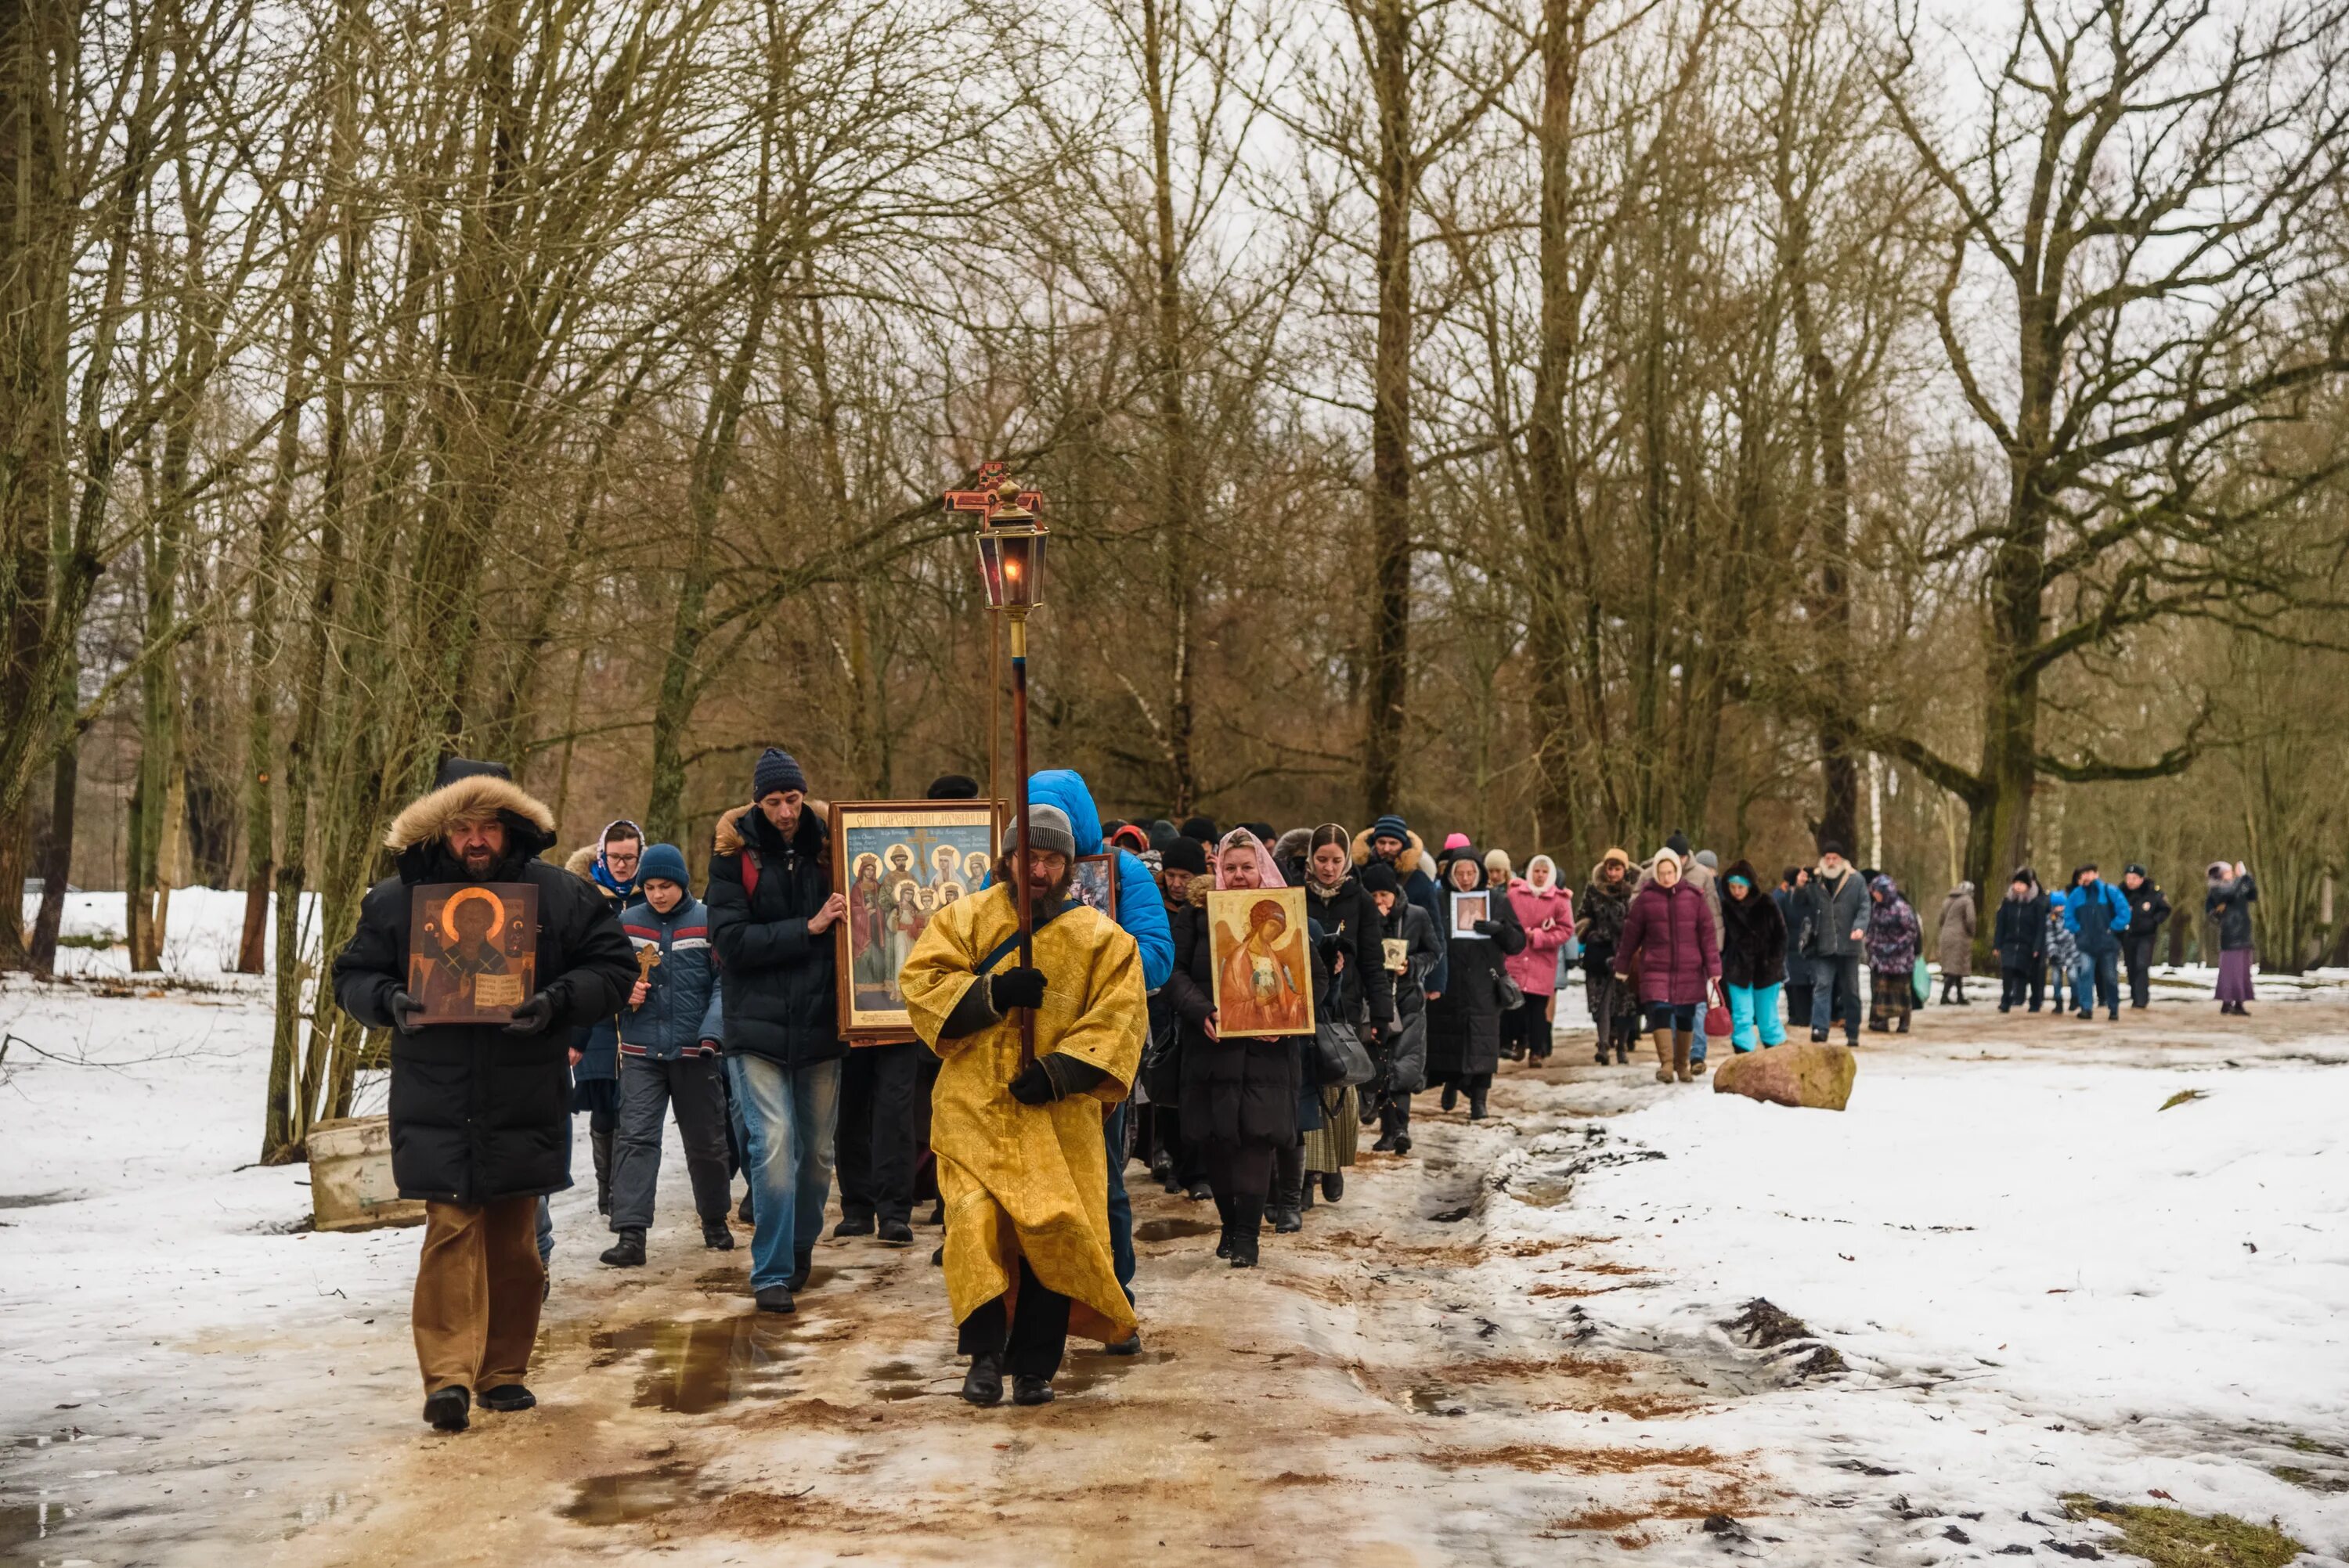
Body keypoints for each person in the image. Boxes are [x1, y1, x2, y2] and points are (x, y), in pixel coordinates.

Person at [330, 759, 636, 1433]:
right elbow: (350, 976)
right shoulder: (397, 902)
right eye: (462, 826)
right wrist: (389, 1000)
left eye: (488, 826)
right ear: (440, 829)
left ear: (512, 828)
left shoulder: (558, 896)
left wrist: (558, 999)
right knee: (450, 1229)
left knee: (514, 1241)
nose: (475, 840)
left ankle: (501, 1370)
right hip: (435, 1095)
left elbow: (614, 967)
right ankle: (447, 1378)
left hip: (524, 1090)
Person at [900, 803, 1145, 1408]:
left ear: (1068, 865)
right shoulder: (964, 919)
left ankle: (1035, 1366)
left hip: (1058, 1117)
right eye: (1028, 856)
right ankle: (982, 1357)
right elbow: (921, 983)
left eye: (1051, 857)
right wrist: (991, 993)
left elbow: (1121, 1017)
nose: (1038, 868)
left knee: (1053, 1229)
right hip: (973, 1110)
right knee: (973, 1224)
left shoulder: (1102, 939)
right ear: (1008, 858)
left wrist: (1060, 1072)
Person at [1027, 770, 1173, 1325]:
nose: (1042, 858)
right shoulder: (1017, 877)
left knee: (1104, 1177)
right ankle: (1038, 1300)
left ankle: (1114, 1296)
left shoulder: (1123, 873)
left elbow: (1156, 955)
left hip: (1097, 1051)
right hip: (1027, 1052)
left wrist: (1095, 963)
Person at [707, 748, 847, 1315]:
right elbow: (730, 940)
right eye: (773, 801)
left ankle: (798, 1243)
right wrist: (808, 928)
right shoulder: (733, 852)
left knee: (816, 1152)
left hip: (820, 1020)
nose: (785, 812)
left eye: (792, 798)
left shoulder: (832, 843)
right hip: (754, 1023)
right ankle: (770, 1270)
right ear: (757, 801)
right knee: (773, 1145)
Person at [1168, 828, 1304, 1266]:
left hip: (1267, 1051)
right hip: (1211, 1049)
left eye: (1248, 867)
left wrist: (1286, 1021)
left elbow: (1308, 978)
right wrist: (1202, 1011)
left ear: (1261, 867)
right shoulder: (1195, 915)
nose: (1240, 875)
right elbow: (1174, 975)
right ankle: (1229, 1224)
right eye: (1231, 867)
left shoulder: (1287, 913)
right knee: (1217, 1143)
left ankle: (1247, 1236)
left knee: (1256, 1141)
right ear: (1218, 869)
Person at [601, 843, 734, 1267]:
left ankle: (715, 1220)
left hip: (697, 1052)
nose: (658, 894)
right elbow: (606, 979)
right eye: (651, 886)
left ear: (682, 884)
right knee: (636, 1138)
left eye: (666, 886)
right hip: (641, 1052)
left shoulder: (707, 920)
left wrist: (713, 1033)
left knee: (707, 1143)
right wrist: (623, 992)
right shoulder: (626, 923)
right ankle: (631, 1234)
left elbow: (722, 986)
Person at [1297, 824, 1389, 1206]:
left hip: (1344, 1009)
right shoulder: (1294, 894)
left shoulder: (1361, 900)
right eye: (1322, 860)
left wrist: (1382, 1011)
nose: (1329, 868)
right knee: (1305, 1090)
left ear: (1347, 861)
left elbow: (1372, 960)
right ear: (1310, 859)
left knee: (1337, 1088)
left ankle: (1332, 1165)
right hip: (1302, 1004)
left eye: (1336, 860)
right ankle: (1302, 1175)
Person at [561, 820, 643, 1220]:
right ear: (601, 856)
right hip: (596, 1020)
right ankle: (606, 1194)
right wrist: (575, 1036)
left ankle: (629, 1197)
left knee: (637, 1112)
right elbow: (572, 964)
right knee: (605, 1111)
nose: (623, 865)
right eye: (616, 858)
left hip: (642, 1017)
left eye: (630, 857)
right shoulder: (582, 896)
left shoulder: (655, 892)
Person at [1427, 842, 1526, 1119]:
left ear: (1479, 873)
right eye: (1460, 873)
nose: (1466, 879)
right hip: (1450, 983)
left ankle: (1479, 1101)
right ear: (1451, 875)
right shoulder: (1440, 901)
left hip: (1485, 985)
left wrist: (1500, 930)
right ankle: (1451, 1082)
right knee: (1449, 1041)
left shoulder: (1496, 901)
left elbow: (1518, 943)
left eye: (1471, 873)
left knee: (1483, 1044)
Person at [1614, 848, 1719, 1083]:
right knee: (1660, 1012)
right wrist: (1622, 965)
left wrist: (1714, 969)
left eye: (1670, 872)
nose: (1666, 877)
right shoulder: (1645, 899)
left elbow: (1707, 936)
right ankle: (1667, 1064)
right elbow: (1631, 936)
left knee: (1685, 1016)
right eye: (1661, 873)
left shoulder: (1694, 897)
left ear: (1677, 871)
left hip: (1689, 968)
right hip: (1656, 966)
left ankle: (1682, 1065)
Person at [1145, 835, 1211, 1199]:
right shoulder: (1152, 905)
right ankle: (1172, 1159)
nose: (1176, 883)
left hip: (1194, 1007)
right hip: (1159, 1010)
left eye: (1185, 875)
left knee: (1198, 1094)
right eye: (1171, 874)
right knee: (1167, 1090)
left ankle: (1198, 1170)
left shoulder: (1205, 910)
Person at [1362, 860, 1437, 1153]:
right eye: (1374, 896)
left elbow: (1434, 951)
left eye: (1385, 894)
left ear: (1395, 891)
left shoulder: (1417, 916)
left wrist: (1413, 966)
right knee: (1380, 1064)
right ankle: (1385, 1128)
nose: (1380, 901)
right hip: (1375, 1002)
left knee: (1404, 1066)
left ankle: (1400, 1129)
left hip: (1408, 999)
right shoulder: (1364, 919)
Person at [1354, 814, 1449, 1000]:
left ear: (1403, 845)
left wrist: (1436, 980)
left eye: (1393, 843)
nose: (1386, 848)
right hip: (1363, 971)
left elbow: (1435, 933)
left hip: (1405, 975)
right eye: (1381, 842)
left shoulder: (1418, 881)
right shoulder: (1358, 876)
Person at [1502, 855, 1571, 1064]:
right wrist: (1515, 938)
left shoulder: (1559, 900)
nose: (1540, 876)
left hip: (1542, 961)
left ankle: (1537, 1051)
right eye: (1536, 871)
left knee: (1537, 1009)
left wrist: (1539, 937)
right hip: (1516, 958)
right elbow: (1503, 921)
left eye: (1544, 872)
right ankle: (1515, 1043)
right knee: (1514, 1005)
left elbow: (1566, 930)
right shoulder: (1514, 894)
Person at [1798, 842, 1867, 1044]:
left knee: (1851, 990)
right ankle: (1820, 1029)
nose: (1830, 862)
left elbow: (1865, 906)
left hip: (1849, 945)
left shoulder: (1856, 880)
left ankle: (1852, 1031)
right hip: (1823, 944)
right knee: (1822, 985)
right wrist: (1802, 886)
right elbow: (1801, 905)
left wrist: (1860, 926)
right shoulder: (1817, 880)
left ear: (1842, 860)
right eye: (1827, 858)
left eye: (1834, 858)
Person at [1577, 850, 1640, 1065]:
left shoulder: (1634, 893)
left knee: (1625, 1002)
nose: (1613, 873)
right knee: (1601, 1001)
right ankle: (1603, 1045)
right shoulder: (1594, 890)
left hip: (1626, 951)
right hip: (1600, 950)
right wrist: (1591, 932)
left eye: (1617, 869)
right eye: (1610, 869)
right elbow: (1583, 916)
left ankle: (1621, 1046)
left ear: (1625, 870)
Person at [1719, 860, 1787, 1051]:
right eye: (1732, 887)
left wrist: (1774, 960)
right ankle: (1743, 1052)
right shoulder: (1725, 907)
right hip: (1737, 969)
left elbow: (1781, 935)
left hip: (1766, 969)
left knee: (1768, 1016)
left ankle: (1776, 1051)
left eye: (1741, 887)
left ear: (1749, 886)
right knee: (1742, 1015)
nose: (1737, 891)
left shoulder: (1766, 903)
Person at [2059, 863, 2130, 1021]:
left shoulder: (2109, 891)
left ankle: (2113, 1008)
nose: (2086, 877)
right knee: (2085, 974)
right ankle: (2086, 1008)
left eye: (2089, 873)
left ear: (2096, 874)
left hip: (2108, 944)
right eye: (2083, 874)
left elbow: (2124, 912)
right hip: (2085, 944)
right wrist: (2078, 930)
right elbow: (2068, 916)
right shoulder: (2076, 895)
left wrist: (2112, 929)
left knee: (2110, 977)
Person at [1864, 874, 1921, 1034]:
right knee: (1881, 989)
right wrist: (1870, 943)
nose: (1874, 895)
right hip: (1880, 957)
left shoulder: (1901, 908)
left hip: (1900, 958)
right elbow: (1872, 928)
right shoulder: (1876, 907)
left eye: (1876, 892)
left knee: (1901, 990)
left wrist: (1895, 947)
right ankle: (1881, 1020)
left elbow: (1911, 932)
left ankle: (1904, 1021)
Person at [2206, 861, 2258, 1015]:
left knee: (2242, 971)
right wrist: (2242, 878)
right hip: (2230, 934)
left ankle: (2240, 1002)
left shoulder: (2235, 885)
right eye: (2228, 871)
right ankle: (2227, 1001)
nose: (2232, 874)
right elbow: (2230, 893)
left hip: (2243, 932)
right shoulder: (2217, 888)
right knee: (2231, 971)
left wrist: (2247, 878)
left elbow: (2252, 894)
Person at [2120, 865, 2170, 1010]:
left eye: (2134, 878)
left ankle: (2142, 999)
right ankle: (2135, 996)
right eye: (2128, 878)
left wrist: (2155, 920)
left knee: (2141, 964)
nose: (2130, 881)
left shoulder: (2153, 893)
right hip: (2128, 934)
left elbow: (2165, 908)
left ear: (2142, 879)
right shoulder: (2121, 893)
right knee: (2131, 966)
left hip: (2146, 935)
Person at [1994, 872, 2044, 1012]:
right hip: (2009, 943)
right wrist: (1997, 944)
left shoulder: (2036, 904)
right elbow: (2001, 925)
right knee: (2008, 970)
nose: (2018, 886)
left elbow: (2040, 927)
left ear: (2028, 887)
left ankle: (2035, 1001)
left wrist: (2037, 946)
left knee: (2028, 974)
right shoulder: (2007, 903)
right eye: (2016, 883)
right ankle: (2006, 1000)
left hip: (2028, 944)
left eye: (2021, 884)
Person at [1775, 867, 1812, 1028]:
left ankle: (1797, 1015)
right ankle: (1798, 1015)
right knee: (1796, 982)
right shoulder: (1786, 898)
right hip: (1796, 943)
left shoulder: (1787, 897)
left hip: (1796, 943)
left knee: (1796, 982)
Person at [2044, 871, 2080, 1016]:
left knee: (2073, 977)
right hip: (2056, 953)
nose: (2059, 908)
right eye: (2056, 906)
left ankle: (2075, 998)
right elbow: (2049, 937)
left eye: (2062, 906)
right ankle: (2058, 1001)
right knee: (2056, 979)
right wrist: (2052, 952)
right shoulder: (2050, 920)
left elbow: (2074, 934)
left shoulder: (2071, 917)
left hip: (2071, 951)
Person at [1936, 881, 1977, 1004]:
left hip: (1945, 935)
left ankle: (1960, 995)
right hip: (1960, 936)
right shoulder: (1967, 900)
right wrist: (1972, 932)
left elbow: (1940, 919)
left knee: (1954, 966)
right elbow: (1971, 919)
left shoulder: (1947, 900)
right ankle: (1944, 996)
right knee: (1954, 968)